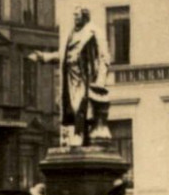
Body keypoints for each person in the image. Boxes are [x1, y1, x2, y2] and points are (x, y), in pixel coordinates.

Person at [31, 8, 112, 147]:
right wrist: (44, 57)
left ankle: (78, 135)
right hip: (70, 76)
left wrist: (100, 80)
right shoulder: (71, 34)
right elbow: (63, 55)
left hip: (85, 76)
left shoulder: (94, 31)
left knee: (80, 105)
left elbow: (104, 56)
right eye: (73, 14)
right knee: (74, 108)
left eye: (77, 15)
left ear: (85, 16)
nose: (74, 17)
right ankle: (79, 136)